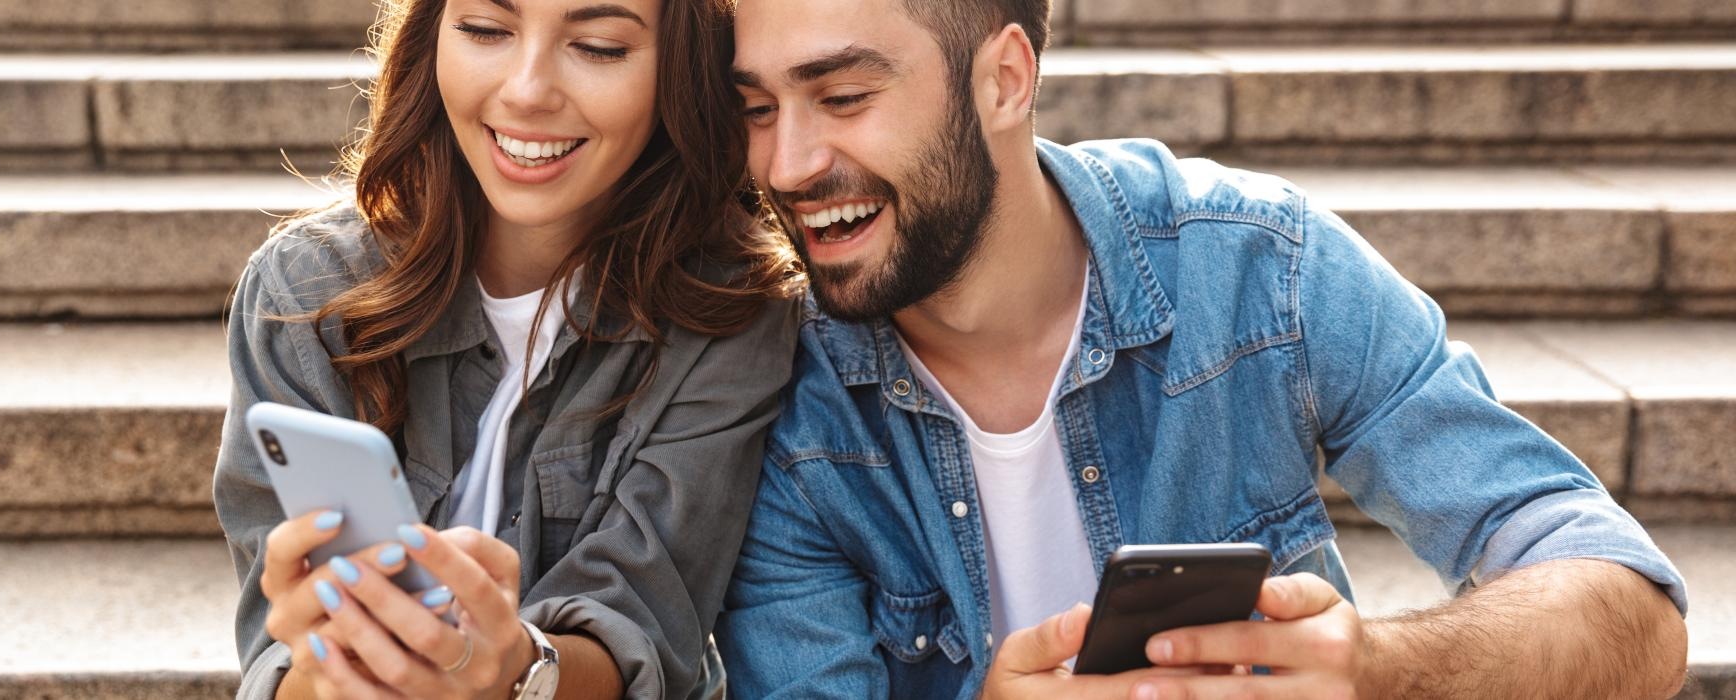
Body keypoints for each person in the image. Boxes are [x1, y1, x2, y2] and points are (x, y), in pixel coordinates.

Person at [713, 0, 1690, 697]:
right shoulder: (777, 398)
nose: (787, 163)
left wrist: (1382, 669)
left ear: (1005, 79)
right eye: (757, 107)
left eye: (841, 95)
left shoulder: (1255, 265)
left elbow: (1634, 613)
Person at [212, 0, 799, 697]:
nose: (525, 90)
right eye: (485, 30)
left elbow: (648, 630)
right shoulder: (304, 290)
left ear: (681, 69)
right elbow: (274, 662)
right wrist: (324, 671)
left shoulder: (734, 313)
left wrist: (517, 671)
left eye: (600, 47)